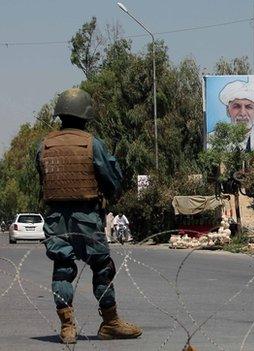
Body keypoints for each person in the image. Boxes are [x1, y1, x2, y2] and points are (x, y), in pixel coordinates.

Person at [36, 88, 141, 344]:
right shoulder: (92, 144)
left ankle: (67, 327)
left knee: (62, 269)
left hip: (56, 217)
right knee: (102, 267)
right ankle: (110, 322)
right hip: (87, 216)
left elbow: (42, 178)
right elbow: (113, 180)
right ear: (86, 115)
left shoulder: (44, 145)